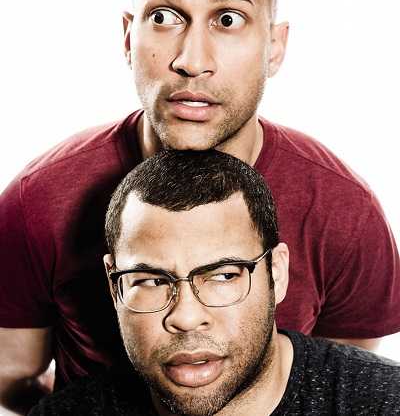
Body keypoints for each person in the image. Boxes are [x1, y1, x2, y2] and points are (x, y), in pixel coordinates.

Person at [1, 0, 399, 414]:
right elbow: (12, 375)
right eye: (163, 17)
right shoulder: (38, 202)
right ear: (128, 37)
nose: (192, 60)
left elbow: (336, 388)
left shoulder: (343, 212)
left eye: (227, 19)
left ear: (274, 47)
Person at [28, 150, 400, 416]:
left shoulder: (384, 402)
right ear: (114, 287)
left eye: (223, 276)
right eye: (152, 280)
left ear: (277, 273)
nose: (186, 317)